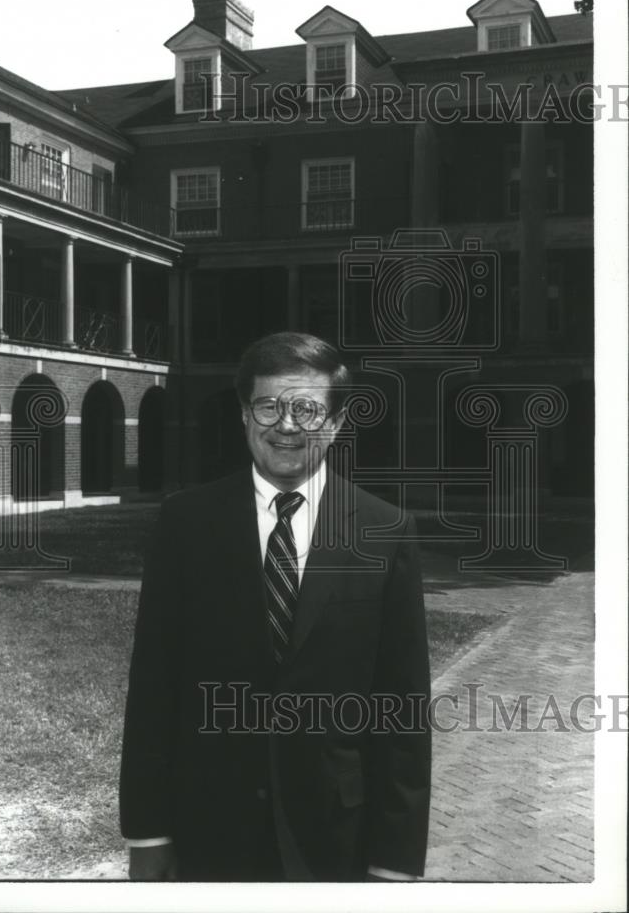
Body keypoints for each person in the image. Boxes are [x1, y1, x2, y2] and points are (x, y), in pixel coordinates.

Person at [120, 331, 431, 882]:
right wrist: (148, 833)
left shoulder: (385, 531)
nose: (286, 426)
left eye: (307, 409)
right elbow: (153, 686)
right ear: (244, 415)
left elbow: (402, 708)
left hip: (336, 836)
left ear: (334, 424)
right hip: (208, 827)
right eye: (268, 406)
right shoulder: (186, 523)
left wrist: (396, 861)